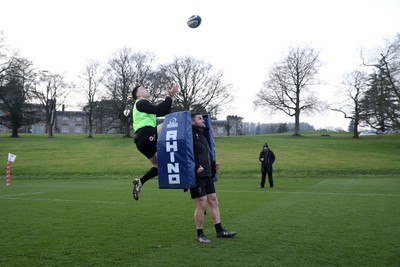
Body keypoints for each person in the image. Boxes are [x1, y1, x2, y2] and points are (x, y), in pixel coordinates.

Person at [190, 112, 236, 243]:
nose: (203, 121)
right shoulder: (189, 136)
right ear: (192, 122)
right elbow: (185, 156)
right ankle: (199, 234)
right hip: (196, 175)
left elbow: (204, 154)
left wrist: (213, 164)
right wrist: (193, 168)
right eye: (200, 119)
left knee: (213, 200)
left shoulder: (203, 135)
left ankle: (220, 231)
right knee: (202, 202)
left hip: (208, 174)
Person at [131, 83, 179, 201]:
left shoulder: (145, 107)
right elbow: (160, 109)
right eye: (143, 89)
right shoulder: (141, 103)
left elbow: (163, 111)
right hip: (145, 135)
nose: (146, 89)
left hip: (141, 142)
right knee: (171, 123)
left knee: (159, 166)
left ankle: (140, 181)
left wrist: (170, 98)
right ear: (138, 94)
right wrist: (169, 96)